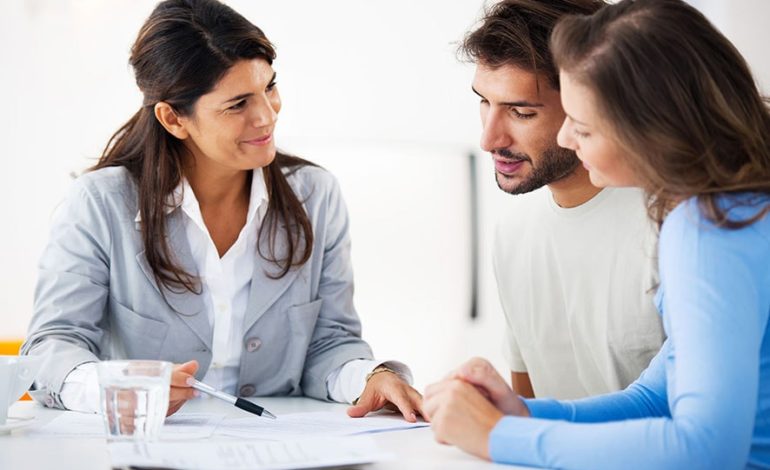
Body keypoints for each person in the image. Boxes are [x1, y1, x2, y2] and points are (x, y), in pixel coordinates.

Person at [21, 0, 423, 422]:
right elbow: (51, 347)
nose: (267, 116)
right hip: (150, 447)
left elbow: (330, 344)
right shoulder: (100, 203)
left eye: (269, 87)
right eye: (237, 104)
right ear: (173, 119)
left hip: (283, 446)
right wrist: (122, 384)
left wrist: (370, 377)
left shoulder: (316, 195)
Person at [425, 0, 770, 467]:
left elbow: (705, 450)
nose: (568, 138)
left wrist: (497, 438)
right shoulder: (731, 210)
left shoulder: (706, 228)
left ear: (647, 129)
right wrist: (522, 414)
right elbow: (656, 397)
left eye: (582, 126)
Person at [462, 0, 663, 399]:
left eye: (521, 112)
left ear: (589, 104)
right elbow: (529, 407)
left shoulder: (674, 223)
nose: (489, 139)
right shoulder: (514, 234)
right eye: (484, 102)